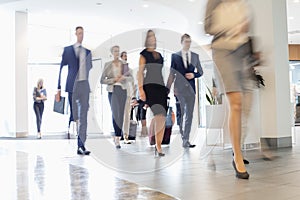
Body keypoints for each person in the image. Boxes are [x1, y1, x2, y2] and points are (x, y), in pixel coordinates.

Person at [205, 0, 252, 179]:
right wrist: (231, 26)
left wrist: (244, 27)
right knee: (236, 102)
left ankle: (236, 152)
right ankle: (238, 156)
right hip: (223, 50)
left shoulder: (242, 3)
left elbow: (247, 26)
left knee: (239, 106)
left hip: (240, 51)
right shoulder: (214, 2)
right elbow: (208, 27)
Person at [56, 26, 93, 155]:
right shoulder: (68, 50)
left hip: (84, 86)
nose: (80, 36)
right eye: (79, 33)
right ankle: (74, 130)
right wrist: (58, 87)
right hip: (72, 86)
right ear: (75, 34)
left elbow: (89, 69)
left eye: (82, 33)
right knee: (75, 115)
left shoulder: (88, 52)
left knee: (84, 117)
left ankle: (81, 145)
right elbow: (61, 68)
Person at [167, 33, 203, 148]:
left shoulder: (195, 56)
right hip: (179, 89)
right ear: (181, 42)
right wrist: (167, 89)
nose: (188, 44)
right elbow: (172, 73)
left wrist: (194, 75)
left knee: (190, 115)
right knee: (181, 114)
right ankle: (183, 137)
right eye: (186, 41)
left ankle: (186, 139)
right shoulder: (175, 56)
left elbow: (201, 72)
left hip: (191, 90)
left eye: (189, 41)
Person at [137, 30, 168, 156]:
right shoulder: (143, 55)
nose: (153, 39)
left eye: (154, 37)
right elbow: (140, 73)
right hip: (149, 86)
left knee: (162, 117)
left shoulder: (159, 55)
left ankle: (158, 145)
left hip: (160, 86)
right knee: (157, 115)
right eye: (150, 37)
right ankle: (156, 142)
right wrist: (140, 89)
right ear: (147, 39)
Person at [101, 46, 133, 149]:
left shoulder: (123, 64)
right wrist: (113, 80)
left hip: (122, 90)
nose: (117, 53)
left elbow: (131, 77)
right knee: (115, 113)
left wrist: (123, 77)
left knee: (121, 114)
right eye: (115, 51)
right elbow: (102, 80)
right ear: (111, 53)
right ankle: (117, 138)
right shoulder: (107, 65)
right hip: (112, 90)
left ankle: (118, 137)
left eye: (118, 51)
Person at [120, 51, 134, 144]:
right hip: (119, 94)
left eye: (126, 56)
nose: (126, 57)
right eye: (124, 56)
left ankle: (126, 136)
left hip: (128, 94)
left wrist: (133, 97)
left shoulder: (130, 70)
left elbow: (133, 83)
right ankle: (119, 135)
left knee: (127, 115)